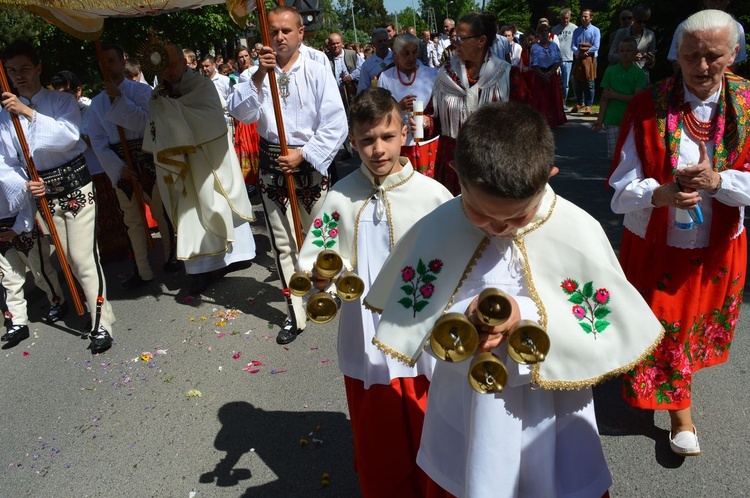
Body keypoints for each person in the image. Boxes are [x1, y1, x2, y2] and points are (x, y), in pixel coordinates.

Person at [366, 101, 663, 498]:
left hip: (552, 404)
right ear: (457, 175)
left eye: (517, 217)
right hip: (466, 397)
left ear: (548, 178)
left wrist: (523, 315)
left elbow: (595, 323)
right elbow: (419, 309)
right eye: (480, 214)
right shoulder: (441, 224)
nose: (498, 227)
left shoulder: (577, 228)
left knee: (553, 481)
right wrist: (462, 317)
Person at [297, 87, 452, 498]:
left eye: (387, 137)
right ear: (353, 140)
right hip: (365, 337)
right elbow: (314, 256)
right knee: (378, 433)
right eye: (366, 140)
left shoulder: (434, 196)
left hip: (421, 338)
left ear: (405, 132)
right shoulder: (339, 196)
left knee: (432, 425)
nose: (378, 149)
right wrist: (317, 277)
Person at [609, 9, 749, 457]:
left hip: (717, 250)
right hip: (657, 247)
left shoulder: (748, 104)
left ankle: (665, 393)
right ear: (676, 56)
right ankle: (680, 416)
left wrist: (720, 182)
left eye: (713, 56)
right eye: (692, 56)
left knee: (685, 333)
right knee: (668, 330)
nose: (703, 67)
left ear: (734, 54)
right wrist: (661, 194)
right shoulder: (647, 105)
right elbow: (619, 188)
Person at [228, 6, 347, 344]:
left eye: (285, 31)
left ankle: (328, 289)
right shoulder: (255, 73)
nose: (279, 37)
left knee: (320, 236)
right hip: (272, 165)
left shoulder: (316, 69)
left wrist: (305, 154)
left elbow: (336, 122)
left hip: (307, 161)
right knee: (283, 244)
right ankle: (294, 312)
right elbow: (241, 113)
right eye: (273, 32)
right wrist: (258, 77)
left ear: (300, 34)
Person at [1, 40, 114, 353]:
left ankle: (101, 324)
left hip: (76, 189)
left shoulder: (61, 101)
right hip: (44, 197)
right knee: (67, 261)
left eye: (24, 68)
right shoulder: (4, 117)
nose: (19, 75)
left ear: (38, 68)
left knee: (83, 256)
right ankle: (94, 309)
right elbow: (7, 162)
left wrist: (27, 112)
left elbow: (69, 136)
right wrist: (25, 184)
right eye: (12, 71)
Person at [144, 44, 256, 295]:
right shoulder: (157, 96)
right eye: (164, 66)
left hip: (206, 159)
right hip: (179, 163)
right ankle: (199, 269)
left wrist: (173, 112)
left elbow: (212, 118)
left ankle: (235, 257)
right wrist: (166, 113)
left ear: (185, 63)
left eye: (173, 64)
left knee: (216, 202)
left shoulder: (202, 86)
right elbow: (153, 125)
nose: (169, 70)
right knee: (189, 214)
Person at [84, 44, 179, 290]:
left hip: (147, 159)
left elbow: (147, 122)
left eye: (112, 60)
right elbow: (97, 141)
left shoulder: (141, 91)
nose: (108, 66)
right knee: (133, 220)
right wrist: (116, 167)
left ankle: (171, 256)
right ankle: (142, 268)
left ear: (122, 60)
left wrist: (120, 99)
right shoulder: (96, 104)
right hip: (121, 164)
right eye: (103, 62)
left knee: (161, 212)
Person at [423, 12, 510, 195]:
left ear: (481, 41)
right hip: (452, 159)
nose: (455, 43)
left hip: (491, 159)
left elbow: (521, 124)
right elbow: (434, 118)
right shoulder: (445, 74)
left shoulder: (505, 75)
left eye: (461, 38)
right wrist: (425, 122)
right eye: (455, 37)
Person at [0, 150, 65, 345]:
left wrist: (17, 229)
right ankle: (19, 322)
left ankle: (57, 301)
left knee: (39, 270)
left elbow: (27, 201)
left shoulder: (11, 168)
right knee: (10, 278)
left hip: (21, 227)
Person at [377, 34, 440, 177]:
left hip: (427, 144)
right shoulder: (386, 77)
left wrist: (426, 121)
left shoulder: (431, 74)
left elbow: (440, 110)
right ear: (395, 55)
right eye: (406, 53)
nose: (411, 58)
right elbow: (378, 113)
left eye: (414, 52)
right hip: (400, 145)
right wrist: (398, 108)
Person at [593, 37, 647, 159]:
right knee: (615, 155)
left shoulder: (639, 73)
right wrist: (600, 119)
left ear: (635, 53)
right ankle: (614, 178)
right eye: (622, 50)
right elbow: (604, 97)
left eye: (628, 50)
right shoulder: (610, 71)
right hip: (612, 119)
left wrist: (615, 95)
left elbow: (636, 98)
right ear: (618, 52)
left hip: (631, 119)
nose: (625, 53)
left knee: (629, 154)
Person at [667, 0, 746, 69]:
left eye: (721, 0)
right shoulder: (685, 27)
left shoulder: (736, 28)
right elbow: (676, 62)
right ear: (705, 1)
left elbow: (734, 64)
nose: (718, 4)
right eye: (713, 0)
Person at [529, 22, 566, 128]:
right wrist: (542, 75)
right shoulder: (535, 48)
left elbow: (558, 60)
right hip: (539, 75)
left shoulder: (554, 46)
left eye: (546, 31)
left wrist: (550, 73)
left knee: (553, 97)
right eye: (542, 31)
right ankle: (540, 121)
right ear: (538, 34)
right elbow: (533, 64)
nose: (545, 33)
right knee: (540, 99)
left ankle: (553, 120)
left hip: (551, 73)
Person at [608, 5, 656, 82]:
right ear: (633, 19)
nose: (642, 24)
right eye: (639, 21)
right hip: (622, 76)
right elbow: (611, 56)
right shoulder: (621, 33)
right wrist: (629, 58)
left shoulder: (650, 35)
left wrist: (651, 60)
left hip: (641, 77)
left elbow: (651, 62)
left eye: (645, 22)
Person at [571, 9, 600, 115]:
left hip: (591, 59)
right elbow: (573, 45)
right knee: (577, 80)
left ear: (591, 18)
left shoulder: (595, 30)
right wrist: (579, 53)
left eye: (586, 17)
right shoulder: (577, 30)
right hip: (579, 58)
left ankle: (589, 105)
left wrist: (587, 52)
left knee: (589, 82)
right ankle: (580, 102)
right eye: (582, 17)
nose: (583, 19)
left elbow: (596, 46)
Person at [327, 32, 362, 108]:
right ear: (329, 45)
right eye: (333, 44)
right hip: (335, 97)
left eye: (337, 43)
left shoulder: (352, 54)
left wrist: (351, 76)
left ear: (341, 42)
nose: (336, 46)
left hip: (353, 93)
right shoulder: (326, 58)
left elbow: (362, 68)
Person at [551, 8, 577, 110]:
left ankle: (563, 102)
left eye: (567, 18)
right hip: (556, 59)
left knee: (565, 83)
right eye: (563, 18)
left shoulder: (574, 28)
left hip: (568, 58)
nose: (565, 20)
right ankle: (556, 101)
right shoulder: (555, 29)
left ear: (569, 17)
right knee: (557, 81)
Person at [357, 28, 393, 94]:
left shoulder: (397, 59)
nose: (383, 43)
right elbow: (363, 89)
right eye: (380, 41)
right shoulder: (367, 65)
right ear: (373, 44)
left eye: (385, 40)